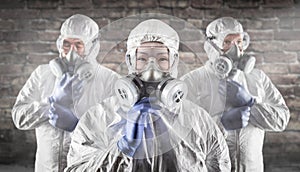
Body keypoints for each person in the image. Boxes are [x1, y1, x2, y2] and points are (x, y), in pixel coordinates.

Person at [65, 19, 231, 172]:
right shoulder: (98, 118)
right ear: (130, 61)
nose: (152, 70)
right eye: (142, 59)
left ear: (174, 62)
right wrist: (123, 148)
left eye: (162, 59)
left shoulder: (198, 120)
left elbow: (220, 166)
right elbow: (77, 168)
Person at [11, 14, 119, 172]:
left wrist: (78, 124)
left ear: (91, 47)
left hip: (87, 167)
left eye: (79, 45)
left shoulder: (109, 80)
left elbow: (116, 133)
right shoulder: (42, 74)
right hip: (45, 168)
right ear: (59, 43)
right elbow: (18, 117)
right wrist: (52, 106)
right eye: (67, 44)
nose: (71, 52)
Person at [181, 17, 290, 172]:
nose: (236, 50)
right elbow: (180, 135)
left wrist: (251, 104)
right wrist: (221, 124)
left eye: (239, 42)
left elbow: (282, 119)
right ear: (212, 47)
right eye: (227, 43)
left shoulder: (258, 78)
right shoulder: (192, 82)